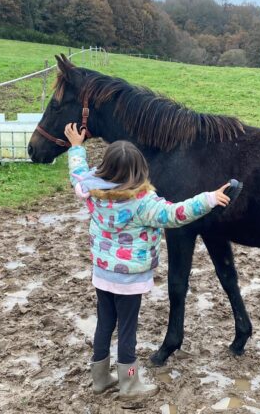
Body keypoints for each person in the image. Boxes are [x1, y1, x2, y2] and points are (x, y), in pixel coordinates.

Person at [63, 123, 231, 400]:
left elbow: (77, 172)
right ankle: (130, 384)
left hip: (102, 274)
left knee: (105, 325)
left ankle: (101, 379)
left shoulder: (91, 190)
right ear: (140, 170)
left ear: (105, 168)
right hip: (129, 281)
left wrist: (76, 147)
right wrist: (210, 198)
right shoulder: (144, 204)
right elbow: (177, 213)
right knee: (127, 334)